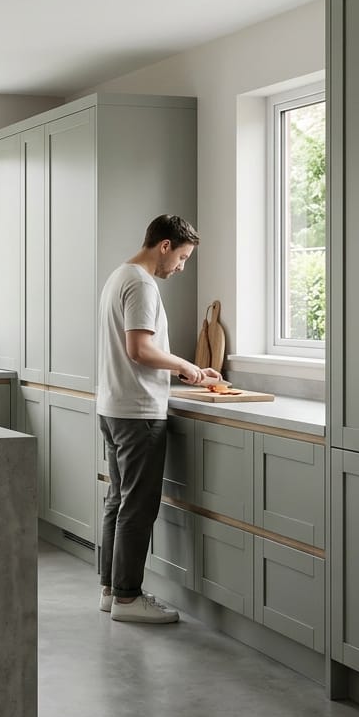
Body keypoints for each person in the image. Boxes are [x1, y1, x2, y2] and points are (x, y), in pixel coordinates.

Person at [97, 214, 220, 623]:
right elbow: (140, 350)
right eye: (182, 257)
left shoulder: (119, 276)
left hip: (113, 406)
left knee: (118, 500)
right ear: (164, 246)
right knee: (138, 505)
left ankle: (111, 589)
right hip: (138, 411)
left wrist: (190, 371)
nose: (182, 267)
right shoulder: (142, 283)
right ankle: (129, 599)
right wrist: (187, 366)